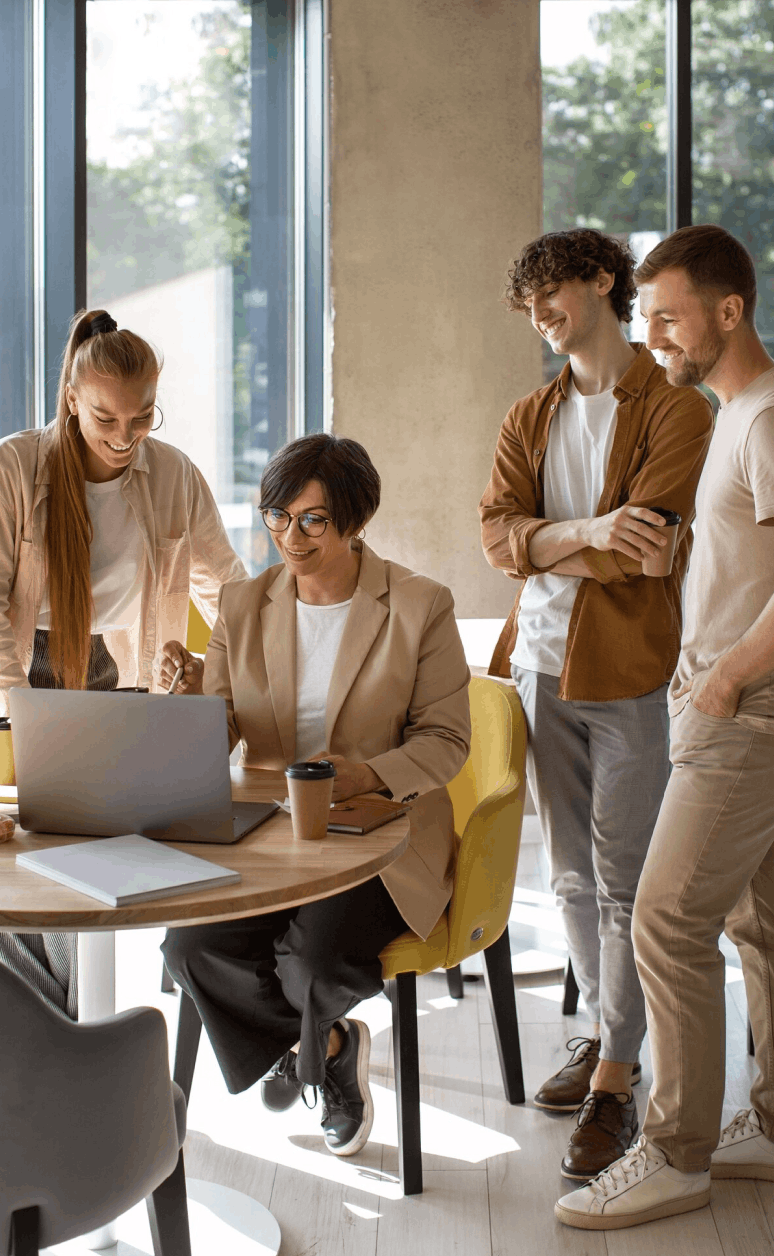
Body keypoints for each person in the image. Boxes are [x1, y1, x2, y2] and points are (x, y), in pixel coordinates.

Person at [161, 434, 471, 1158]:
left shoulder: (419, 606)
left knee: (315, 964)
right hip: (267, 832)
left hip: (380, 837)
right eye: (277, 515)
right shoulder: (242, 605)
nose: (288, 538)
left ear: (354, 520)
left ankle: (301, 1049)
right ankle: (326, 1047)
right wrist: (184, 703)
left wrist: (362, 774)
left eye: (312, 521)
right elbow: (222, 729)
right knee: (190, 947)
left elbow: (447, 742)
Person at [480, 228, 714, 1182]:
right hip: (538, 666)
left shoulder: (677, 411)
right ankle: (608, 1040)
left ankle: (617, 1075)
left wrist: (550, 543)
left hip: (630, 675)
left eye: (553, 290)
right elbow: (496, 538)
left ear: (603, 282)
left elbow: (644, 550)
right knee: (569, 880)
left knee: (624, 881)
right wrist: (579, 532)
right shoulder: (527, 415)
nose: (541, 312)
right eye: (528, 299)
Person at [556, 224, 774, 1229]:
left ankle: (677, 1151)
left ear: (730, 312)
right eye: (644, 317)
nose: (651, 337)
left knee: (664, 919)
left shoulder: (767, 418)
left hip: (746, 718)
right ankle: (771, 1119)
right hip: (726, 705)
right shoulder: (728, 412)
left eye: (668, 316)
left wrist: (724, 678)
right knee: (754, 922)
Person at [0, 307, 247, 1019]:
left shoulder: (171, 474)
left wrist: (214, 670)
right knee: (25, 863)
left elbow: (228, 589)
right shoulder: (16, 467)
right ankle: (50, 1024)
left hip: (111, 666)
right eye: (106, 419)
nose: (123, 438)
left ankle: (69, 1027)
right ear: (72, 398)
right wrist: (19, 706)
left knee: (88, 856)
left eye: (142, 418)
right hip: (21, 669)